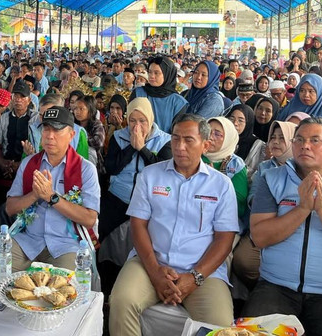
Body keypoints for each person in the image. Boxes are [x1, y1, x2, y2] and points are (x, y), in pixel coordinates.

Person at [109, 114, 238, 336]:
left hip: (202, 272)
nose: (179, 146)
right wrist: (155, 272)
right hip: (150, 263)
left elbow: (224, 239)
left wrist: (195, 277)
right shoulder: (150, 176)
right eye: (175, 138)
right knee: (122, 300)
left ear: (205, 145)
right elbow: (138, 225)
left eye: (189, 140)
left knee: (220, 324)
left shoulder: (221, 185)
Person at [243, 118, 322, 335]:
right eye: (299, 139)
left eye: (314, 140)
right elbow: (260, 237)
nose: (305, 145)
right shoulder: (271, 179)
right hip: (276, 286)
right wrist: (302, 209)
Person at [0, 106, 100, 271]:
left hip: (66, 246)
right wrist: (34, 195)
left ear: (71, 135)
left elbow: (89, 219)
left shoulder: (86, 169)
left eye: (56, 130)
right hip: (28, 242)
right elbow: (10, 209)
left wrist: (52, 197)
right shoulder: (29, 164)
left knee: (61, 291)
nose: (49, 136)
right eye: (46, 129)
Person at [232, 121, 297, 290]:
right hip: (264, 224)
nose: (275, 142)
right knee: (243, 261)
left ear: (293, 141)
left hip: (293, 228)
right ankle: (262, 289)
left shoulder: (302, 168)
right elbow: (253, 198)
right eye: (272, 137)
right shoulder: (265, 167)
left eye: (282, 138)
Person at [100, 98, 172, 240]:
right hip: (118, 196)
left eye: (142, 121)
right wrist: (131, 147)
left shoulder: (164, 141)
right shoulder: (118, 137)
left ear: (150, 119)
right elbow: (112, 168)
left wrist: (142, 148)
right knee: (106, 239)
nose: (136, 126)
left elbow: (163, 172)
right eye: (132, 120)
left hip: (149, 202)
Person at [203, 117, 249, 222]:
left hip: (224, 221)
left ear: (228, 138)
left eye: (217, 134)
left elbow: (239, 206)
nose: (210, 137)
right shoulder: (195, 156)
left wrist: (214, 182)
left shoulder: (235, 164)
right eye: (207, 131)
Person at [129, 55, 188, 132]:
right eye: (150, 72)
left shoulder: (178, 103)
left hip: (166, 143)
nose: (152, 76)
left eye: (156, 73)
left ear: (167, 74)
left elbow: (177, 132)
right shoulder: (138, 93)